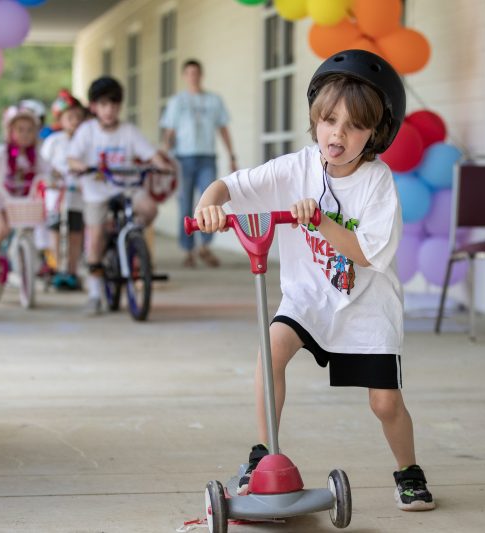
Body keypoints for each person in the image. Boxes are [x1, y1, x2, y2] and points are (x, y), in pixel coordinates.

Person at [192, 50, 435, 511]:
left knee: (385, 404)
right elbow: (230, 186)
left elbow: (368, 252)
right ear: (314, 119)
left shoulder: (377, 181)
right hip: (307, 297)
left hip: (365, 305)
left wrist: (321, 221)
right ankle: (264, 455)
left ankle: (409, 470)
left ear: (376, 133)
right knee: (271, 351)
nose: (337, 134)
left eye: (354, 125)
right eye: (328, 120)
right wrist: (209, 205)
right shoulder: (296, 167)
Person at [68, 76, 173, 316]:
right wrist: (80, 166)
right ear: (94, 107)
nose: (109, 110)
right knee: (94, 238)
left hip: (127, 187)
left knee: (149, 208)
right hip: (97, 192)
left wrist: (162, 165)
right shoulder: (87, 131)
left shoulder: (128, 131)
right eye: (104, 105)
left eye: (114, 105)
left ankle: (131, 239)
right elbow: (72, 157)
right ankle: (95, 294)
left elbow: (149, 154)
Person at [160, 59, 237, 268]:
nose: (193, 76)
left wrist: (231, 155)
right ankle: (188, 250)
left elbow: (223, 129)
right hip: (183, 158)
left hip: (206, 158)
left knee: (210, 201)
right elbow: (170, 133)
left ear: (201, 75)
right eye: (189, 73)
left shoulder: (214, 100)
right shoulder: (177, 101)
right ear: (184, 76)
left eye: (196, 72)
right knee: (185, 203)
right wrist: (164, 157)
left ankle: (205, 246)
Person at [0, 104, 50, 273]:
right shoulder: (2, 152)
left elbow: (47, 169)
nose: (25, 134)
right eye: (20, 130)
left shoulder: (35, 155)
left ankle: (24, 264)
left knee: (27, 227)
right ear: (11, 132)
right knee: (3, 230)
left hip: (18, 202)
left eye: (29, 130)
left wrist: (55, 178)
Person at [41, 89, 87, 291]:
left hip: (77, 195)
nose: (74, 121)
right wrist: (51, 178)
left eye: (78, 117)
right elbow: (43, 165)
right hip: (56, 196)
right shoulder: (53, 141)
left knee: (76, 234)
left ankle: (72, 270)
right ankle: (56, 268)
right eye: (70, 117)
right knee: (55, 233)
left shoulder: (85, 140)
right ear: (61, 119)